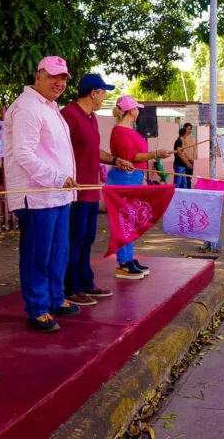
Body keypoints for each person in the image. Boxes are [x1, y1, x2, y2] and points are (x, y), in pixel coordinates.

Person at [4, 56, 79, 333]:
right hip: (36, 196)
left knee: (58, 252)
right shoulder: (27, 107)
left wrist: (63, 182)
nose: (59, 83)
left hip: (58, 195)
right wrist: (58, 178)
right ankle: (37, 308)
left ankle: (55, 299)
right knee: (38, 254)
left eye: (63, 78)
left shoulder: (50, 107)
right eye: (53, 77)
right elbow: (25, 154)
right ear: (38, 76)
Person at [60, 74, 134, 307]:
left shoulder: (91, 118)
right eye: (103, 93)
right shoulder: (68, 115)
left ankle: (85, 282)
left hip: (92, 190)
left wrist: (115, 160)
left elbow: (93, 151)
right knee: (75, 239)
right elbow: (58, 150)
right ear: (94, 93)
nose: (104, 98)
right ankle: (71, 287)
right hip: (76, 192)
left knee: (87, 238)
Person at [109, 95, 173, 279]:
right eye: (137, 108)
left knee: (131, 221)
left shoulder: (129, 129)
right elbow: (131, 156)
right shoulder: (119, 131)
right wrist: (155, 154)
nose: (139, 111)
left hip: (134, 177)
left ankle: (129, 258)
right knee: (124, 221)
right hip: (124, 179)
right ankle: (123, 262)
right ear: (131, 111)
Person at [182, 122, 197, 188]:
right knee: (184, 177)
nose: (189, 130)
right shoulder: (182, 138)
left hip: (191, 160)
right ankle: (186, 190)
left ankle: (189, 189)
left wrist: (193, 158)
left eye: (190, 129)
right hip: (184, 160)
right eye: (188, 129)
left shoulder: (193, 138)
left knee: (189, 176)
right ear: (184, 129)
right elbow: (182, 150)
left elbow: (195, 148)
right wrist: (186, 159)